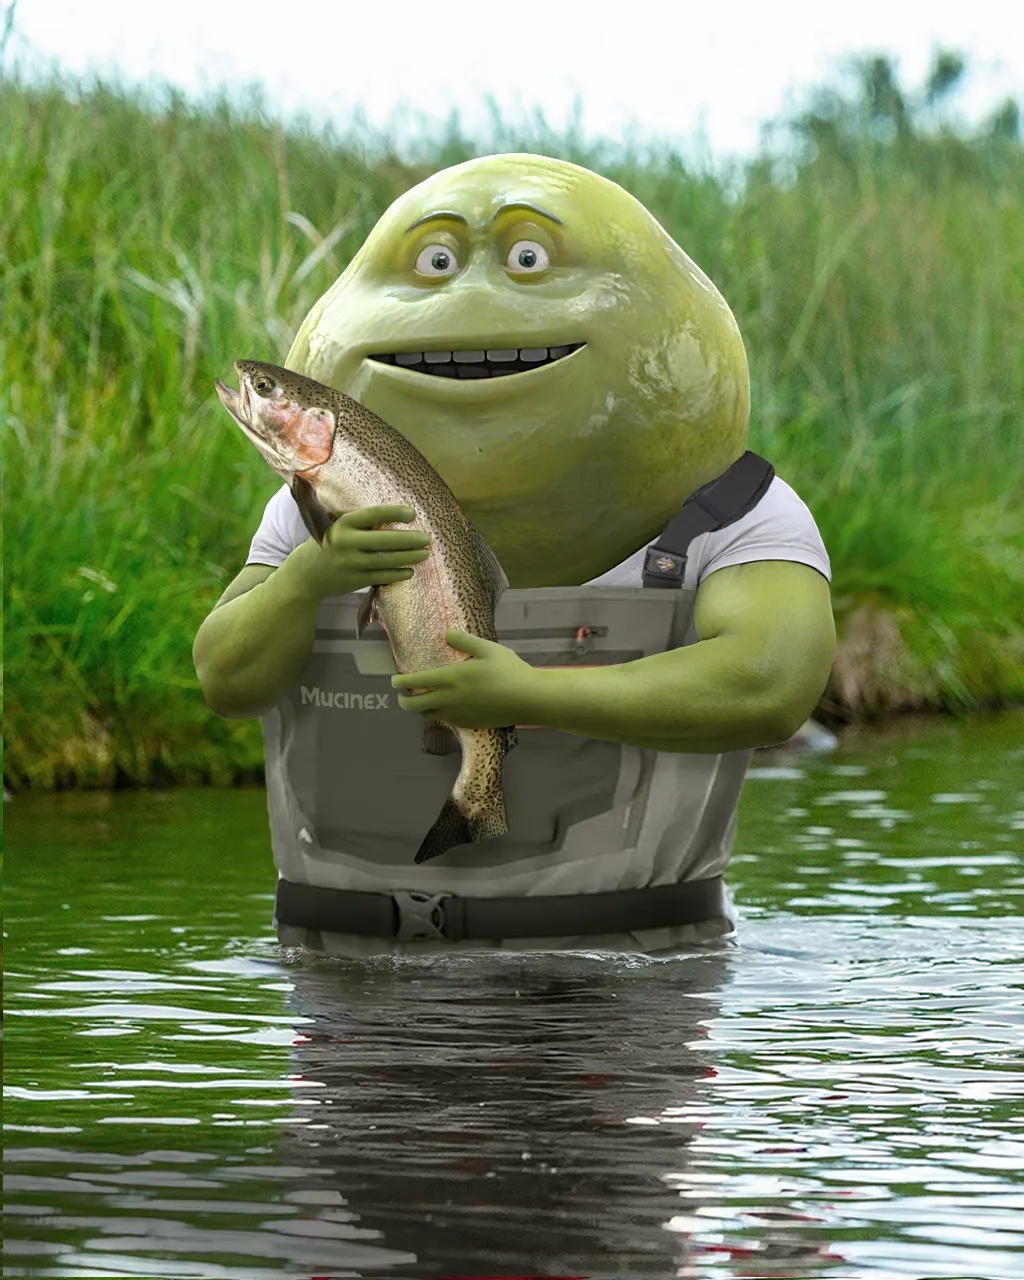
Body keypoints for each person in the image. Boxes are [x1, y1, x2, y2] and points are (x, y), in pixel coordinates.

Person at [193, 154, 835, 958]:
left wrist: (533, 695)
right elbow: (225, 676)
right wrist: (310, 578)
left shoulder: (731, 514)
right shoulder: (315, 514)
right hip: (350, 994)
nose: (468, 298)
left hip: (625, 997)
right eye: (435, 262)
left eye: (528, 258)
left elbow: (772, 683)